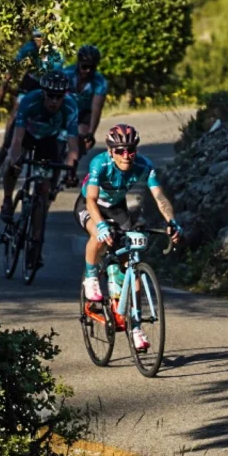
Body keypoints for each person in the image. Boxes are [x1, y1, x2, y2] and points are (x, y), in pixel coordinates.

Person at [74, 123, 182, 351]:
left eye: (131, 150)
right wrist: (101, 226)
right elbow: (91, 201)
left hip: (117, 209)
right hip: (90, 205)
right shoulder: (99, 163)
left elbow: (159, 196)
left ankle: (135, 327)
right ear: (111, 151)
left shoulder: (144, 165)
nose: (126, 156)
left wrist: (171, 221)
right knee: (99, 235)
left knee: (131, 264)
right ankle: (92, 277)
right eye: (121, 151)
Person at [0, 70, 78, 262]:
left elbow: (73, 146)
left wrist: (71, 169)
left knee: (43, 189)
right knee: (11, 165)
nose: (54, 101)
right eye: (50, 96)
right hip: (26, 135)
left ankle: (35, 239)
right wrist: (15, 159)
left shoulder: (70, 106)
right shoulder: (30, 100)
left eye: (59, 97)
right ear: (43, 93)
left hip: (47, 139)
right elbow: (17, 139)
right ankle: (8, 200)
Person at [0, 29, 65, 172]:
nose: (39, 41)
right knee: (16, 111)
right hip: (31, 82)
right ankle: (6, 145)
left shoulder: (56, 55)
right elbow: (13, 69)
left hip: (48, 86)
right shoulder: (28, 48)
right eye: (36, 38)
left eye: (41, 37)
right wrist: (3, 87)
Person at [64, 44, 108, 160]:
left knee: (82, 136)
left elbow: (96, 108)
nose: (87, 71)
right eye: (84, 67)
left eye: (92, 68)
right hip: (65, 108)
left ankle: (72, 168)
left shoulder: (100, 82)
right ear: (78, 63)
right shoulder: (67, 74)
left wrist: (91, 133)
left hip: (84, 112)